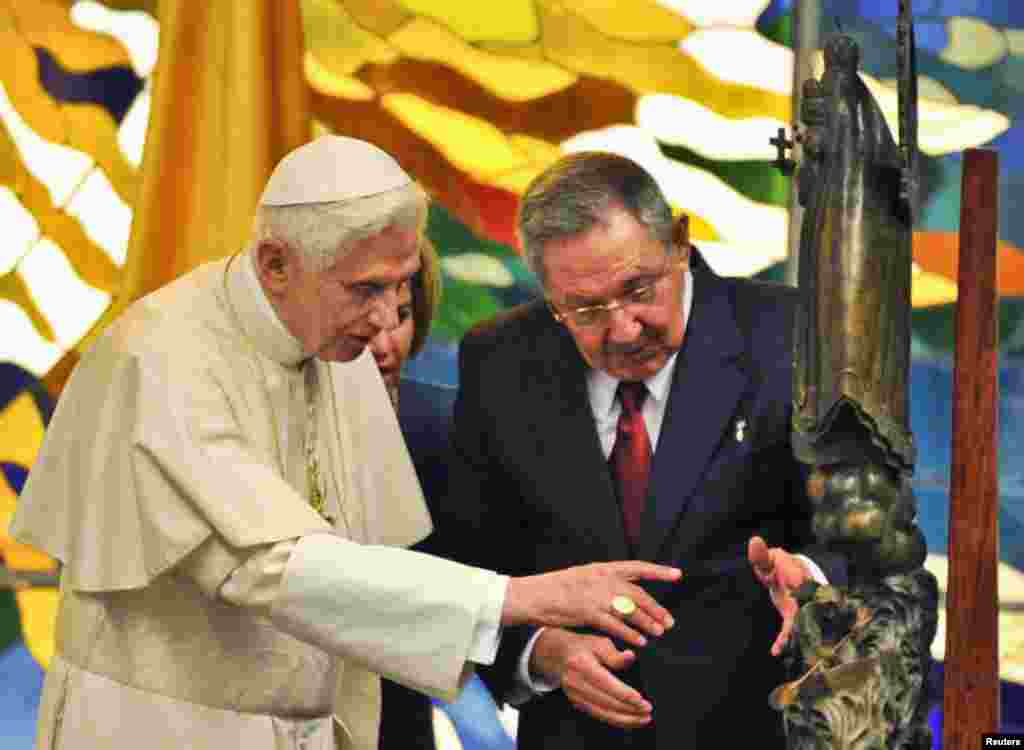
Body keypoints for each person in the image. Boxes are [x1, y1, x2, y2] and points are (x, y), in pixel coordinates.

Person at [8, 137, 682, 750]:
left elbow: (377, 563)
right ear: (276, 264)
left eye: (402, 285)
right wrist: (520, 597)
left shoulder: (339, 341)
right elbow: (270, 565)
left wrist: (541, 644)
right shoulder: (159, 358)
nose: (388, 319)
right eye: (367, 288)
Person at [440, 152, 849, 749]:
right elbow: (465, 569)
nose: (625, 329)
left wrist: (812, 582)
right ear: (551, 298)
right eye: (586, 309)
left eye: (638, 289)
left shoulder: (792, 339)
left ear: (679, 242)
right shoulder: (501, 361)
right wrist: (541, 651)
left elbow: (872, 541)